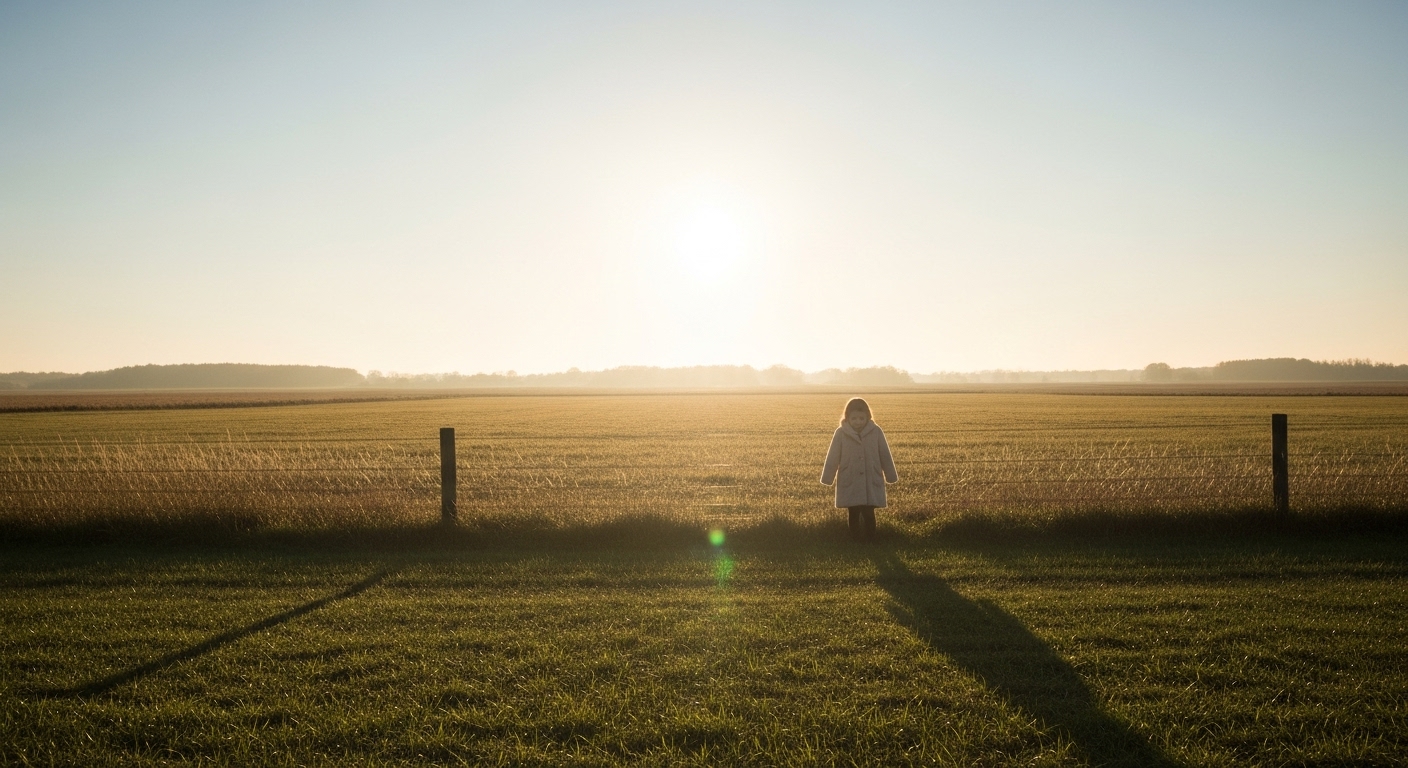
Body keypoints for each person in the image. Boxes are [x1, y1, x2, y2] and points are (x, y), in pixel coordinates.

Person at [820, 397, 898, 541]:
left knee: (869, 512)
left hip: (871, 479)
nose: (858, 422)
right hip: (850, 479)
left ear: (868, 417)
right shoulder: (841, 433)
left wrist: (891, 475)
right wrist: (827, 478)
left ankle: (871, 539)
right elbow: (833, 456)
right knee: (853, 512)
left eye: (861, 418)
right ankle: (855, 539)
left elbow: (885, 454)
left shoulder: (876, 431)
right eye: (854, 418)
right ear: (847, 417)